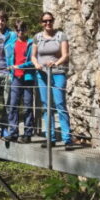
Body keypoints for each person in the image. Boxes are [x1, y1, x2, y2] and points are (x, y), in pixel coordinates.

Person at [31, 11, 74, 149]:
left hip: (57, 73)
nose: (47, 23)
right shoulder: (37, 37)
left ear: (53, 21)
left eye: (50, 20)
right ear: (41, 23)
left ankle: (67, 139)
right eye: (45, 21)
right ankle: (51, 138)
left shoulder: (61, 36)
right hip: (42, 74)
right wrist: (36, 64)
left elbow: (66, 55)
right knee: (46, 105)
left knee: (60, 104)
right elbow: (33, 56)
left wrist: (56, 63)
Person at [4, 21, 36, 143]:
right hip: (16, 78)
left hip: (27, 78)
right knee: (13, 105)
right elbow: (10, 60)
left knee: (27, 106)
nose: (20, 32)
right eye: (18, 30)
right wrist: (11, 68)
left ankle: (27, 134)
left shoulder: (31, 44)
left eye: (22, 29)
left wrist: (20, 66)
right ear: (15, 31)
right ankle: (13, 133)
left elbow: (33, 61)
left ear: (26, 29)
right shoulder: (11, 44)